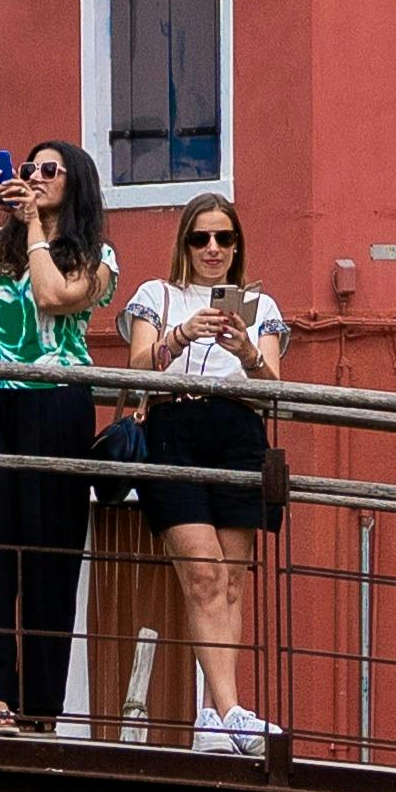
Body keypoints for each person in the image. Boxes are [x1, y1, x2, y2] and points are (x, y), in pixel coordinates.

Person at [0, 139, 116, 733]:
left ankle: (40, 707)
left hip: (54, 401)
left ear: (75, 182)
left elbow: (54, 296)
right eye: (29, 168)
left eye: (48, 169)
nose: (34, 176)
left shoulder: (97, 255)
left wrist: (33, 226)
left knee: (48, 556)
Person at [120, 193, 285, 754]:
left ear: (237, 246)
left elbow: (271, 391)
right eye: (200, 238)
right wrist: (182, 334)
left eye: (223, 238)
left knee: (231, 582)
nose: (212, 249)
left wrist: (246, 352)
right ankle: (231, 713)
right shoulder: (156, 295)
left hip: (239, 433)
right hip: (175, 428)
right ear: (185, 245)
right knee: (203, 573)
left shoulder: (260, 305)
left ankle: (216, 717)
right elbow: (136, 368)